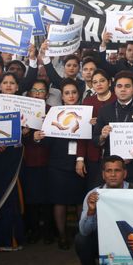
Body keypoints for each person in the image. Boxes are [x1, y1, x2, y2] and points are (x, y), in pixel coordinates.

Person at [35, 79, 87, 250]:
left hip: (79, 163)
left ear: (78, 94)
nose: (71, 96)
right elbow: (46, 144)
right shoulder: (53, 114)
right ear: (62, 96)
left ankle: (82, 235)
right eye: (67, 93)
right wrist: (39, 138)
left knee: (81, 201)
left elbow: (88, 141)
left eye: (73, 92)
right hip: (57, 163)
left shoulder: (86, 113)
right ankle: (62, 236)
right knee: (60, 201)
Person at [75, 155, 133, 265]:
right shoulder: (93, 194)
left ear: (125, 173)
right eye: (109, 171)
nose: (113, 174)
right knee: (81, 239)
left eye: (117, 170)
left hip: (131, 242)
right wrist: (91, 211)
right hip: (103, 241)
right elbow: (84, 231)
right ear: (103, 174)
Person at [0, 73, 26, 251]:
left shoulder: (24, 106)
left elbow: (28, 128)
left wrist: (26, 131)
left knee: (13, 197)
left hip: (14, 158)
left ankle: (13, 239)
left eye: (12, 83)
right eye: (5, 82)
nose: (8, 86)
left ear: (17, 87)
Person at [93, 71, 133, 187]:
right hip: (111, 169)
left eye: (127, 86)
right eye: (119, 86)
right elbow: (95, 141)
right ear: (114, 89)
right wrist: (102, 136)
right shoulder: (105, 110)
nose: (123, 89)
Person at [20, 80, 52, 245]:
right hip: (29, 161)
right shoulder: (22, 112)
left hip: (49, 161)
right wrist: (27, 134)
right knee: (31, 199)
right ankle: (33, 230)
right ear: (30, 93)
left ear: (47, 95)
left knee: (47, 199)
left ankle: (48, 231)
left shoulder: (53, 112)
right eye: (35, 90)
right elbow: (16, 137)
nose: (38, 93)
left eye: (41, 91)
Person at [79, 69, 116, 190]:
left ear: (109, 82)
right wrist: (80, 158)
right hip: (93, 154)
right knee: (94, 190)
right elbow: (82, 133)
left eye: (102, 81)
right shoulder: (88, 101)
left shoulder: (117, 99)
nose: (98, 84)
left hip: (115, 153)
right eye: (95, 82)